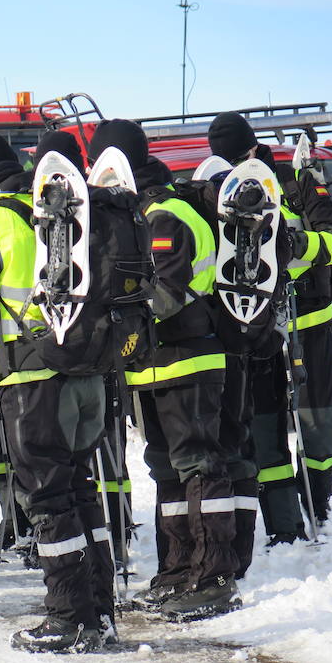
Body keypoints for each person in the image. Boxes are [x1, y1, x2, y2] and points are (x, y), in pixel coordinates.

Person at [0, 130, 115, 653]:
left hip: (31, 378)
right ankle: (99, 612)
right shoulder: (73, 209)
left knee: (47, 496)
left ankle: (67, 617)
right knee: (81, 489)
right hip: (88, 374)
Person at [92, 119, 240, 620]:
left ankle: (214, 577)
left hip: (188, 361)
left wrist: (109, 317)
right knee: (167, 473)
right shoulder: (137, 214)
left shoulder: (165, 214)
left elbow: (167, 295)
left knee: (199, 467)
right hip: (151, 367)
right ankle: (178, 570)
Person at [208, 112, 332, 543]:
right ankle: (284, 527)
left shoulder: (294, 182)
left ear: (253, 148)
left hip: (310, 323)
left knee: (318, 423)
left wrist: (294, 246)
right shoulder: (220, 190)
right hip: (257, 331)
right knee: (265, 431)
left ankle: (318, 503)